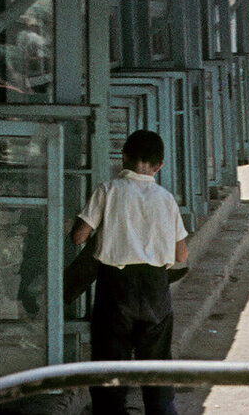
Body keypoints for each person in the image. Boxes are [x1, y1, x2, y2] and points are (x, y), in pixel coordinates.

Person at [70, 130, 188, 415]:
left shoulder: (107, 190)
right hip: (156, 290)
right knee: (157, 371)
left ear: (123, 157)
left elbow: (78, 237)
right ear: (160, 165)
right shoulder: (166, 198)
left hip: (115, 290)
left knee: (110, 372)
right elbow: (181, 254)